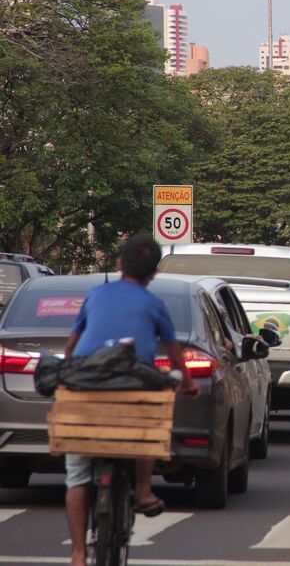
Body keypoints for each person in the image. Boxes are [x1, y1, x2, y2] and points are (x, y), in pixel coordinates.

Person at [62, 234, 198, 566]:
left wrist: (68, 370)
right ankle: (144, 489)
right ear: (153, 274)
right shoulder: (154, 304)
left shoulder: (96, 294)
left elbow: (71, 346)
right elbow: (174, 353)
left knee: (77, 475)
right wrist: (188, 383)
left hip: (86, 386)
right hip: (135, 384)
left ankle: (79, 554)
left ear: (119, 264)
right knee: (150, 423)